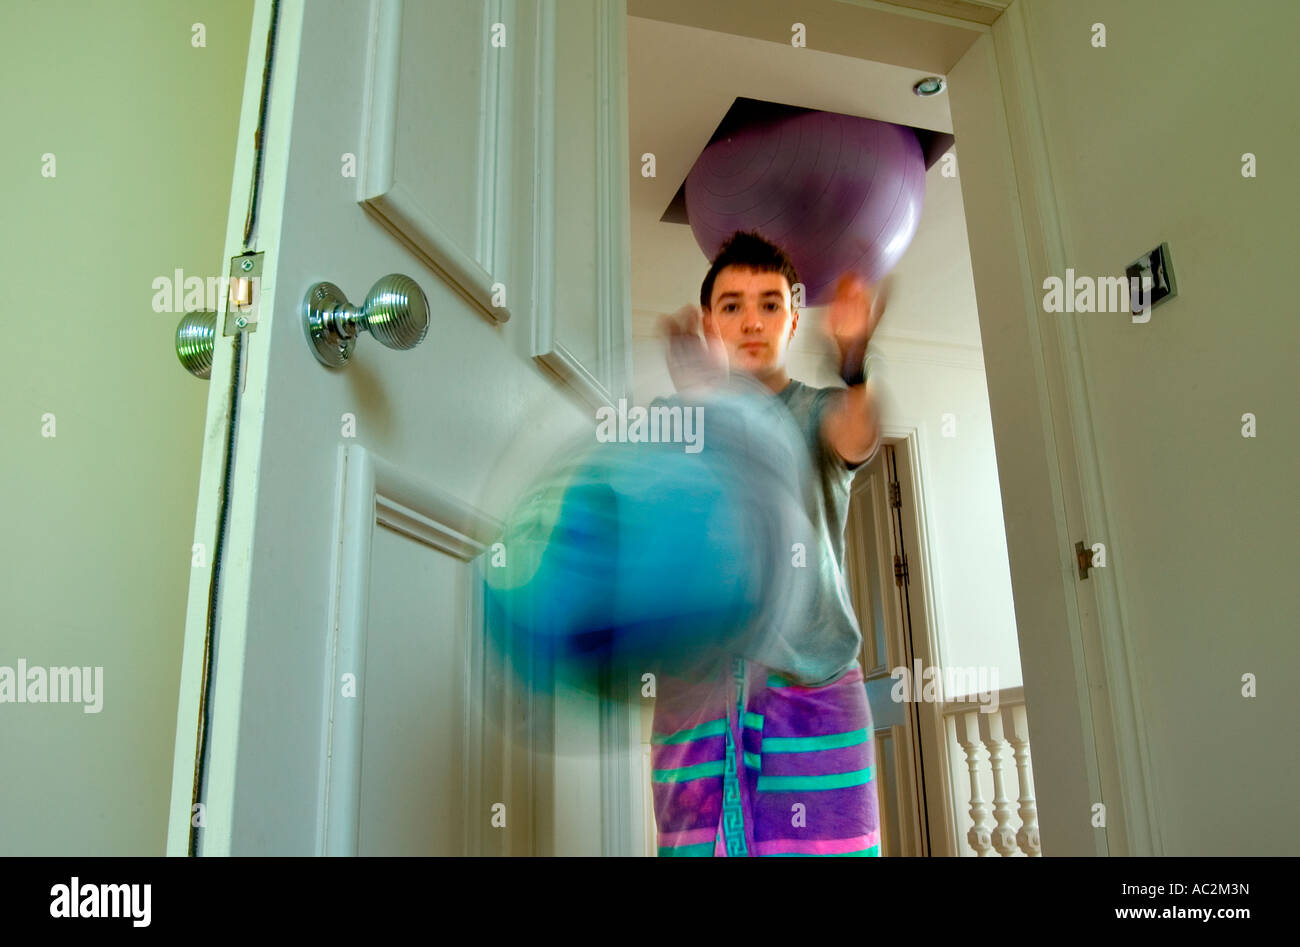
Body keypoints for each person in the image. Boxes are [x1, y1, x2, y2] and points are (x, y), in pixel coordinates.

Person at [649, 230, 887, 857]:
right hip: (697, 698)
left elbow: (858, 436)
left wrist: (855, 358)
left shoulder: (820, 411)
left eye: (769, 303)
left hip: (815, 690)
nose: (751, 320)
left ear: (792, 317)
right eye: (732, 306)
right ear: (708, 322)